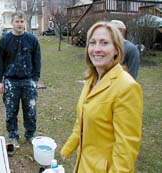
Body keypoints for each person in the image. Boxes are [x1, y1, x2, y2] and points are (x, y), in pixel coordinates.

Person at [60, 21, 143, 172]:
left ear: (117, 50)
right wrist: (67, 148)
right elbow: (82, 121)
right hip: (83, 166)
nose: (97, 49)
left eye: (104, 43)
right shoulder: (91, 79)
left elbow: (126, 148)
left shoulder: (127, 87)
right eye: (92, 43)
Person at [0, 11, 41, 147]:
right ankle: (13, 136)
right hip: (10, 81)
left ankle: (30, 134)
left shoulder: (32, 39)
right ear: (12, 23)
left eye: (22, 21)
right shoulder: (4, 40)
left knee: (30, 111)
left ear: (25, 23)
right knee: (11, 111)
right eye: (17, 21)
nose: (19, 24)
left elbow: (37, 60)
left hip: (28, 81)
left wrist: (35, 79)